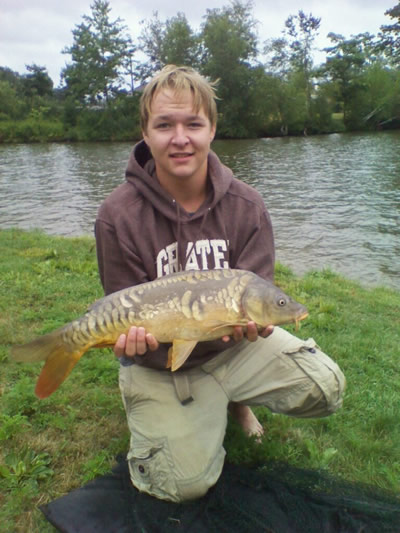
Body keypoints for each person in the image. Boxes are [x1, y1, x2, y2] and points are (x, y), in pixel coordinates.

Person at [95, 65, 346, 503]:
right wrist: (125, 342)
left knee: (326, 386)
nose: (180, 138)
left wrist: (269, 319)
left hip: (234, 347)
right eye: (165, 125)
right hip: (160, 362)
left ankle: (235, 401)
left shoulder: (247, 204)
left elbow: (261, 295)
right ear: (145, 131)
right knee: (181, 485)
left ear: (212, 128)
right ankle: (154, 401)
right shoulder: (117, 215)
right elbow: (120, 306)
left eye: (193, 123)